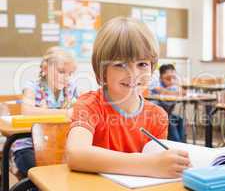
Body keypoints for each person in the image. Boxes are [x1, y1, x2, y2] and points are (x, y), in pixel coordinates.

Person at [66, 17, 190, 178]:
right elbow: (76, 155)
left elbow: (159, 168)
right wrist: (149, 164)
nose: (133, 74)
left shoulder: (157, 116)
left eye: (142, 64)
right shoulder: (89, 105)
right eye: (120, 64)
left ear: (152, 68)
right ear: (102, 70)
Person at [14, 46, 78, 178]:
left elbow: (79, 110)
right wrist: (65, 113)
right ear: (45, 69)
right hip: (28, 147)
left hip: (59, 147)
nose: (66, 77)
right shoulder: (32, 86)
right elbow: (27, 112)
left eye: (70, 73)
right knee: (41, 177)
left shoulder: (71, 88)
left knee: (72, 174)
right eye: (61, 72)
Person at [150, 64, 186, 142]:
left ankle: (182, 143)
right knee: (170, 120)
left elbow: (182, 92)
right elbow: (163, 91)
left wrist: (175, 82)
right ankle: (176, 144)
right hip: (154, 113)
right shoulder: (155, 82)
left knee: (180, 119)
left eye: (173, 75)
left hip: (166, 112)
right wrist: (176, 91)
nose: (171, 78)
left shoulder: (172, 85)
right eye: (167, 76)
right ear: (161, 76)